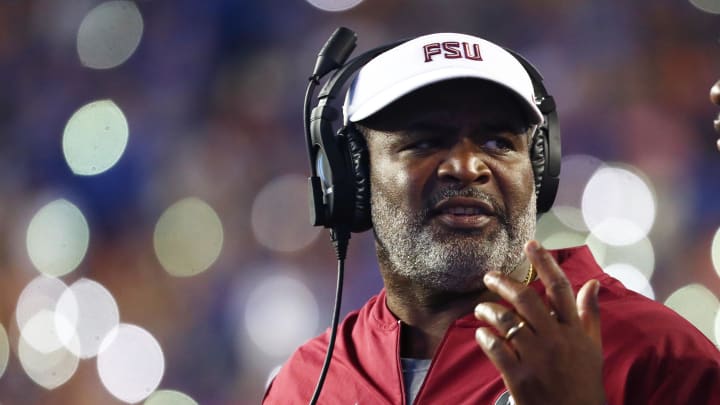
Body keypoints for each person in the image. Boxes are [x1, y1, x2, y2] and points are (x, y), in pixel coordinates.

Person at [263, 32, 720, 404]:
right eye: (424, 141)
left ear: (539, 168)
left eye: (499, 142)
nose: (468, 166)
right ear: (351, 177)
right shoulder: (305, 384)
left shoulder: (658, 357)